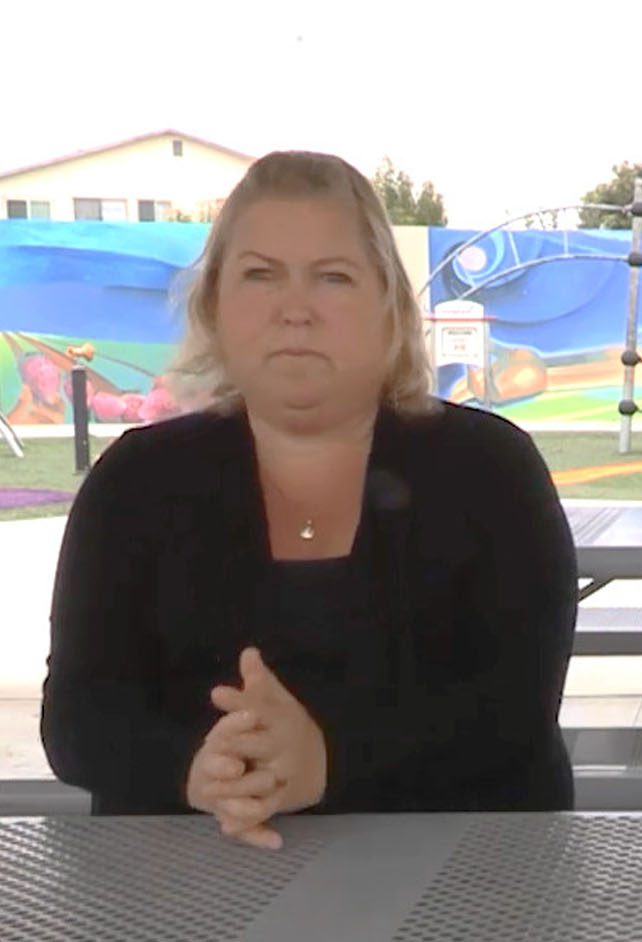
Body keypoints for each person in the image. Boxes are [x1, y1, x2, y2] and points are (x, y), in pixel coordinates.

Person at [40, 151, 576, 846]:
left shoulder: (490, 471)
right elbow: (78, 718)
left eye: (333, 278)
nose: (296, 310)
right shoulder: (135, 483)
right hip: (188, 887)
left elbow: (515, 711)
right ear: (213, 305)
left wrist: (328, 761)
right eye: (261, 275)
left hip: (465, 882)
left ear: (388, 305)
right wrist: (194, 771)